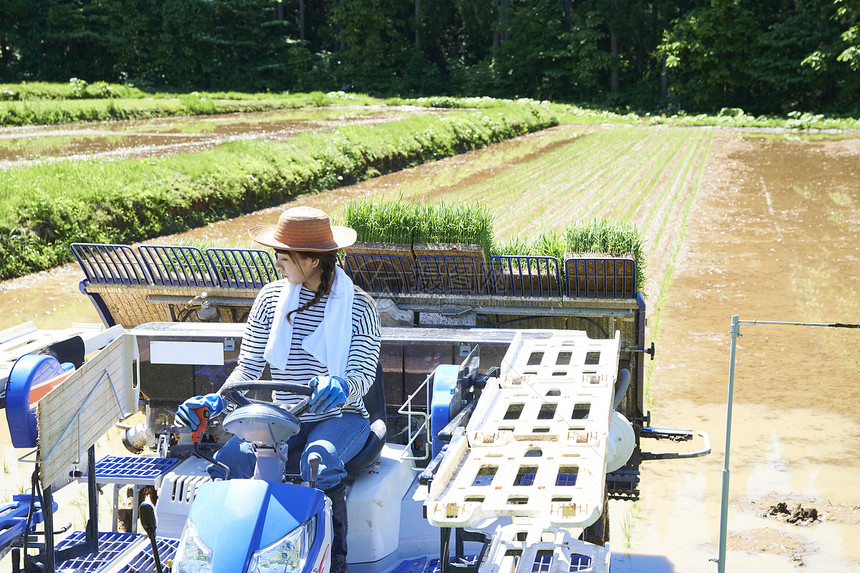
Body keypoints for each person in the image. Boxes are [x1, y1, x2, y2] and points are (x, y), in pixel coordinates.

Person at [175, 206, 380, 573]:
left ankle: (332, 561)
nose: (277, 265)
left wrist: (341, 385)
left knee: (318, 459)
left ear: (314, 260)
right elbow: (247, 368)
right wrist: (216, 401)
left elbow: (362, 376)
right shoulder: (271, 299)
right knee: (230, 460)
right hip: (284, 416)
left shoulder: (360, 306)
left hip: (342, 415)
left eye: (283, 257)